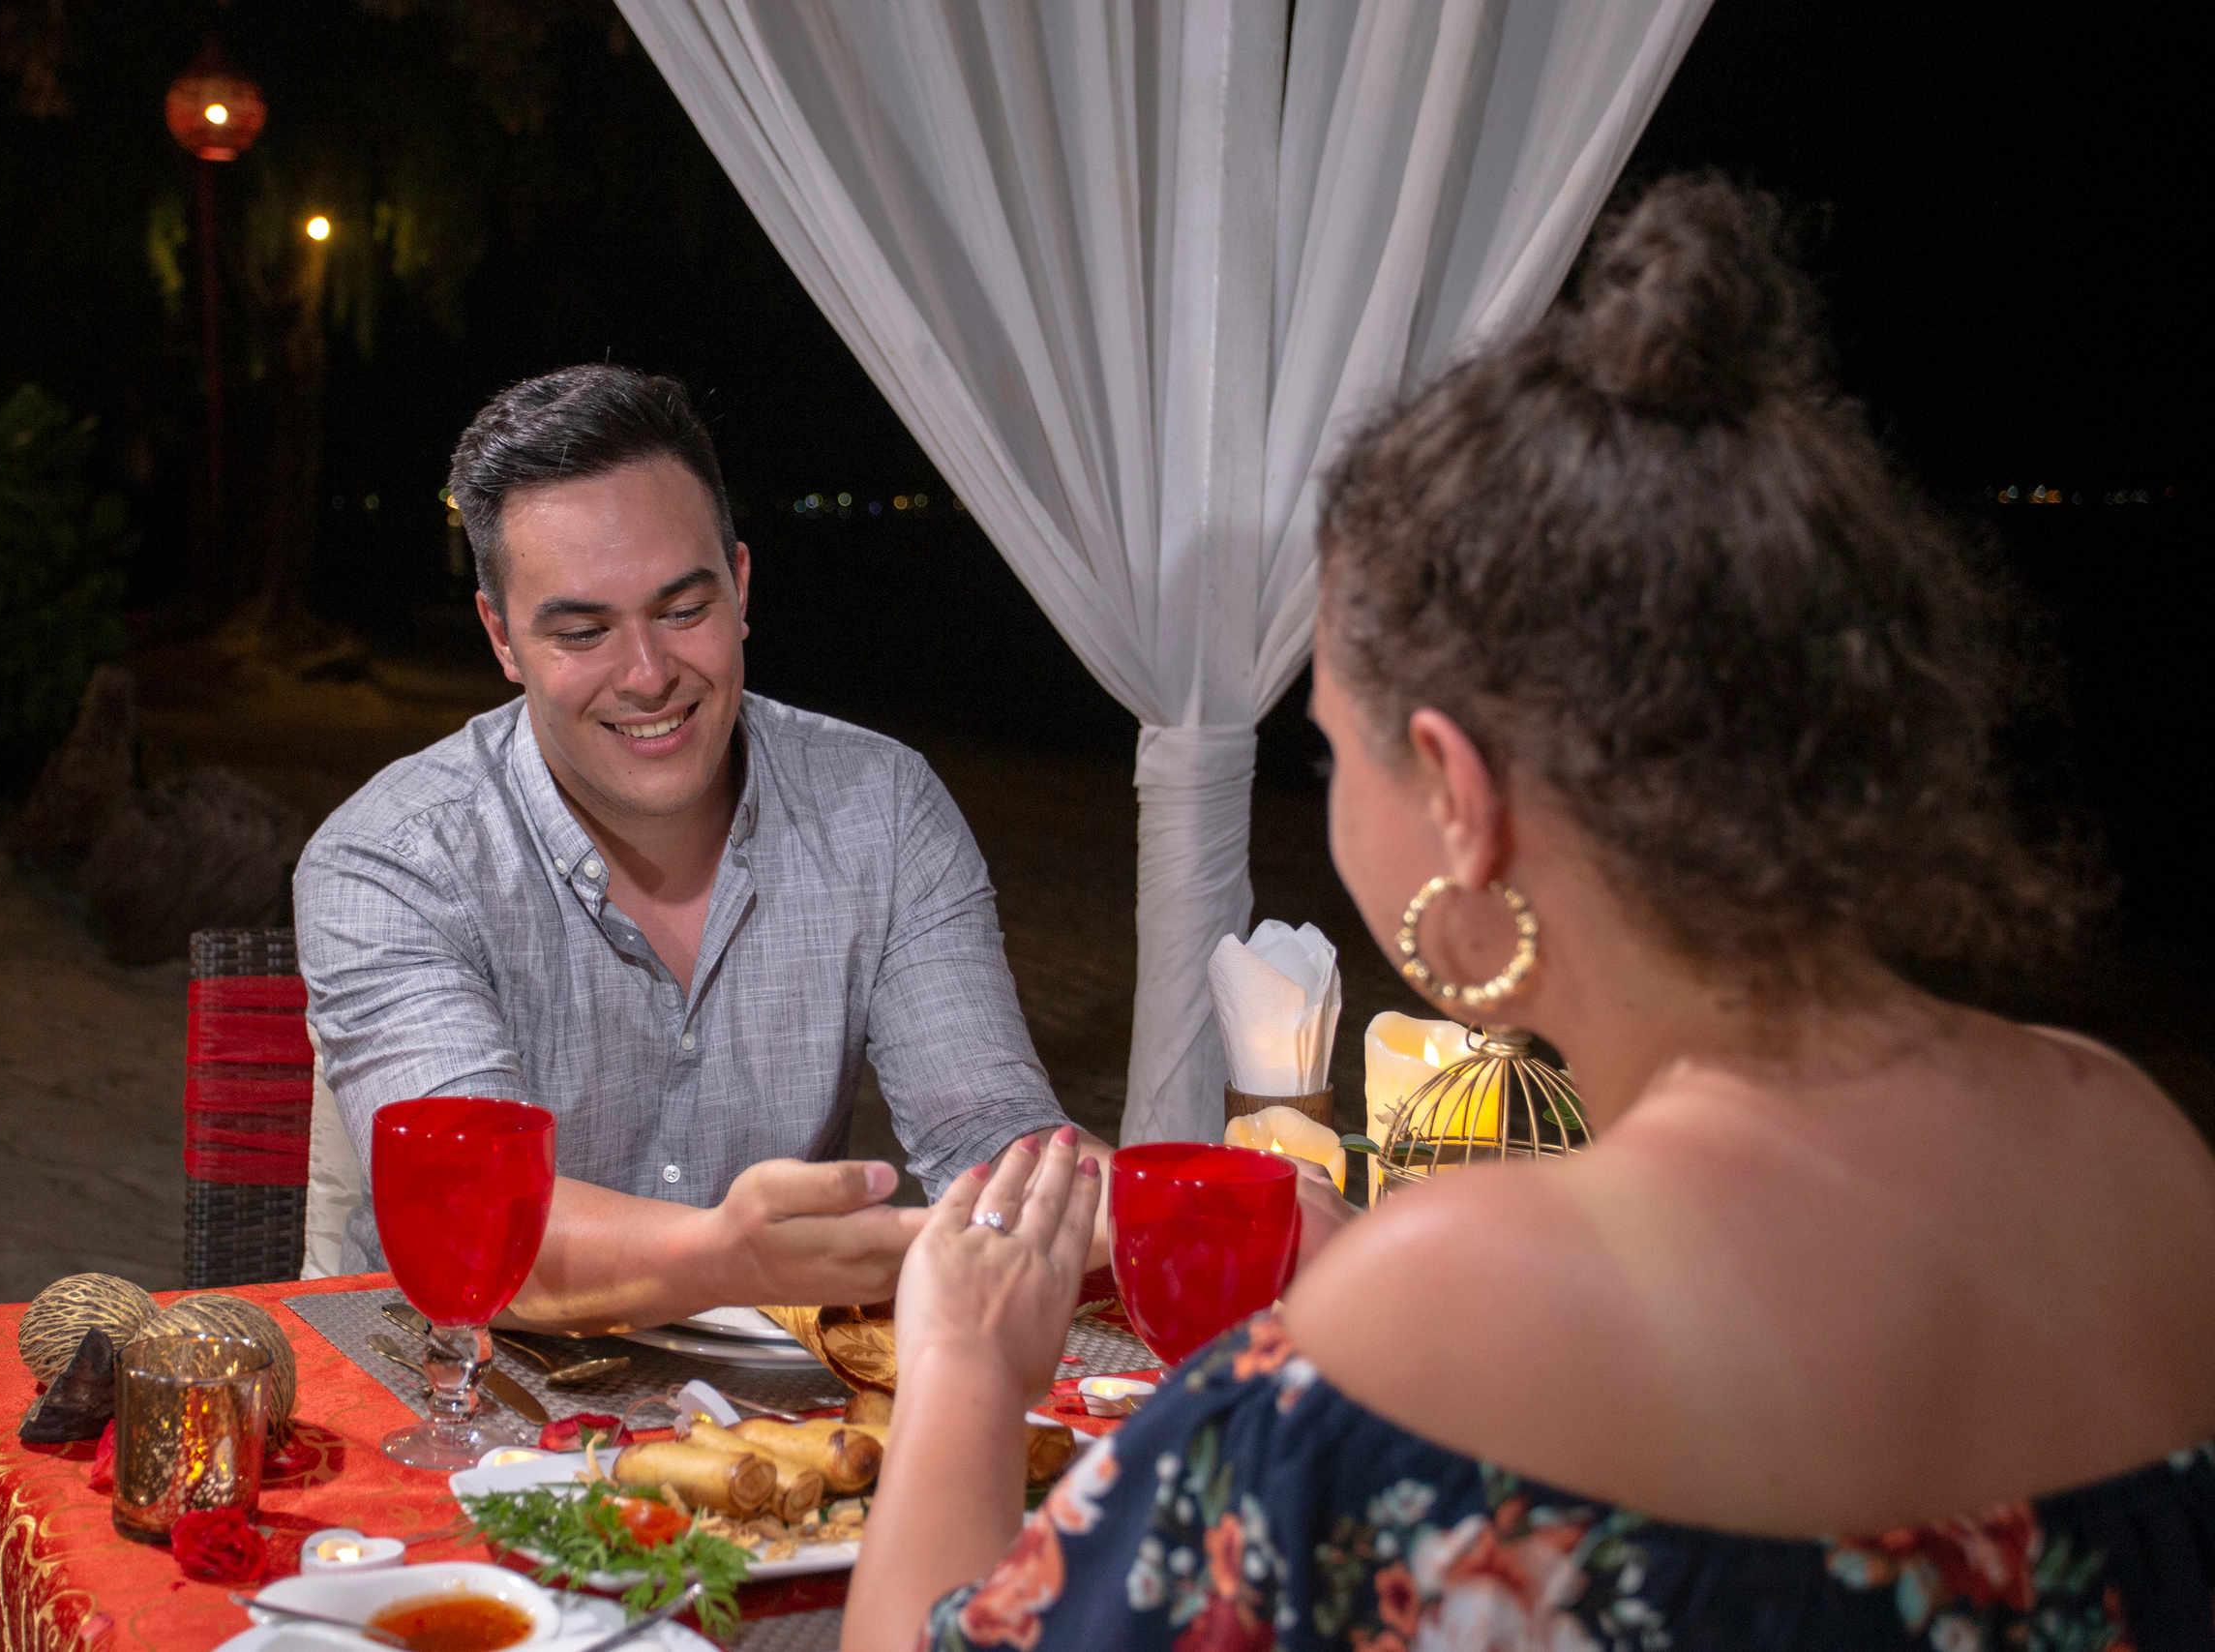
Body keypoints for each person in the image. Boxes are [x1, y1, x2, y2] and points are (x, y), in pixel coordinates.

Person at [844, 175, 2215, 1651]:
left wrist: (967, 1370)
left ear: (1460, 792)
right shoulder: (2138, 1143)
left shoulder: (1428, 1314)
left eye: (1333, 747)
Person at [293, 364, 1105, 1332]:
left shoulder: (880, 808)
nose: (648, 676)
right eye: (583, 631)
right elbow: (475, 1220)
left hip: (789, 1392)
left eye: (684, 612)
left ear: (741, 584)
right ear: (502, 639)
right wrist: (727, 1256)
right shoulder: (391, 859)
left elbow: (993, 1138)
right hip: (455, 1387)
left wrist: (1192, 1204)